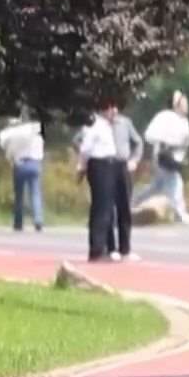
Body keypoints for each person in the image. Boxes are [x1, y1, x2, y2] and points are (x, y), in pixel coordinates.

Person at [138, 92, 189, 225]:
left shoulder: (184, 120)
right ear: (176, 105)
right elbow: (149, 135)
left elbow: (183, 141)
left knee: (156, 187)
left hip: (175, 159)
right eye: (184, 103)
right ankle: (180, 214)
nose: (187, 106)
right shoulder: (165, 116)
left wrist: (187, 139)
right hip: (163, 157)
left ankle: (131, 202)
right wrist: (170, 141)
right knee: (176, 183)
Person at [76, 104, 120, 262]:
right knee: (101, 208)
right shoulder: (95, 124)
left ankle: (107, 247)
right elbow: (85, 149)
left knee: (107, 208)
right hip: (99, 165)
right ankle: (97, 249)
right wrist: (81, 168)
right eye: (111, 108)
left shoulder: (106, 126)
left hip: (109, 164)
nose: (115, 112)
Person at [106, 105, 144, 261]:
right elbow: (79, 140)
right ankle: (110, 248)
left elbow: (138, 142)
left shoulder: (125, 122)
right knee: (107, 208)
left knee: (125, 208)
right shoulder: (98, 123)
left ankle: (125, 248)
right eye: (110, 107)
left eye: (115, 107)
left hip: (123, 166)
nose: (113, 111)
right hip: (105, 165)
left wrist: (134, 160)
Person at [0, 115, 45, 233]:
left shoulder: (13, 135)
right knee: (35, 193)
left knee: (19, 195)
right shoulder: (36, 135)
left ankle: (18, 223)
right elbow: (40, 151)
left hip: (20, 164)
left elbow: (10, 152)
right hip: (35, 163)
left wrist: (11, 159)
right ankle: (38, 220)